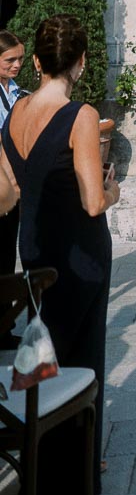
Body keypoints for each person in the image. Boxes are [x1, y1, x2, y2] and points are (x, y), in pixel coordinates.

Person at [0, 15, 120, 495]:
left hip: (34, 251)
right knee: (80, 359)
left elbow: (7, 194)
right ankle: (68, 492)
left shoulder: (14, 113)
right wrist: (114, 188)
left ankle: (36, 472)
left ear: (34, 61)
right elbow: (93, 201)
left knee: (42, 358)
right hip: (80, 254)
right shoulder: (81, 115)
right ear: (81, 62)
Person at [0, 31, 26, 347]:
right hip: (3, 184)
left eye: (20, 58)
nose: (17, 64)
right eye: (10, 60)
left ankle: (4, 325)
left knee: (6, 256)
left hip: (14, 187)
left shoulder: (18, 91)